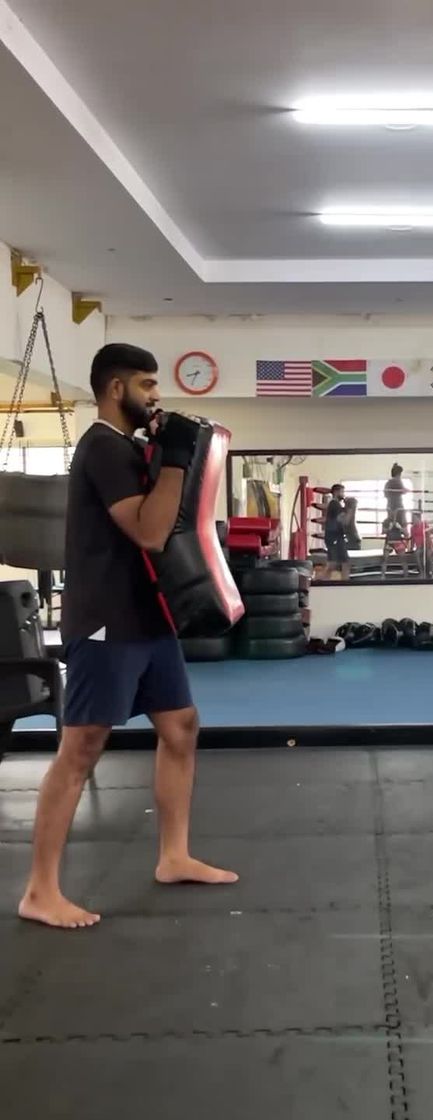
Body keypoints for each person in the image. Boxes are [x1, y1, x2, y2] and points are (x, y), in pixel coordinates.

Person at [18, 343, 238, 930]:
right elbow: (149, 530)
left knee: (180, 726)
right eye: (147, 384)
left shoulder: (130, 447)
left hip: (147, 615)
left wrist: (171, 457)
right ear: (116, 389)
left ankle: (174, 855)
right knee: (82, 748)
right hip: (104, 621)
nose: (156, 395)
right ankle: (40, 891)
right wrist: (174, 461)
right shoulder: (102, 448)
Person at [324, 483, 350, 581]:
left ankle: (344, 583)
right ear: (336, 492)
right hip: (334, 537)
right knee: (334, 563)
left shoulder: (336, 504)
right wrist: (350, 509)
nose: (343, 494)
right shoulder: (334, 504)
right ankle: (320, 581)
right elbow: (343, 520)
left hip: (336, 536)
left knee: (343, 562)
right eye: (342, 492)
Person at [410, 510, 433, 577]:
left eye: (414, 518)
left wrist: (427, 545)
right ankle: (421, 572)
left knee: (429, 555)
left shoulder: (424, 524)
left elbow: (428, 535)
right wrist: (411, 547)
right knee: (417, 554)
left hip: (427, 544)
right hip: (419, 547)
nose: (413, 520)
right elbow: (412, 539)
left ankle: (432, 573)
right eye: (412, 518)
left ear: (418, 518)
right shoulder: (412, 528)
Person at [383, 463, 408, 530]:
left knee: (391, 523)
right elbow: (404, 491)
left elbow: (385, 494)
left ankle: (393, 531)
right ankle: (405, 533)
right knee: (402, 523)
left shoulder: (388, 483)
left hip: (390, 505)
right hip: (397, 505)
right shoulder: (397, 481)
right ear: (399, 474)